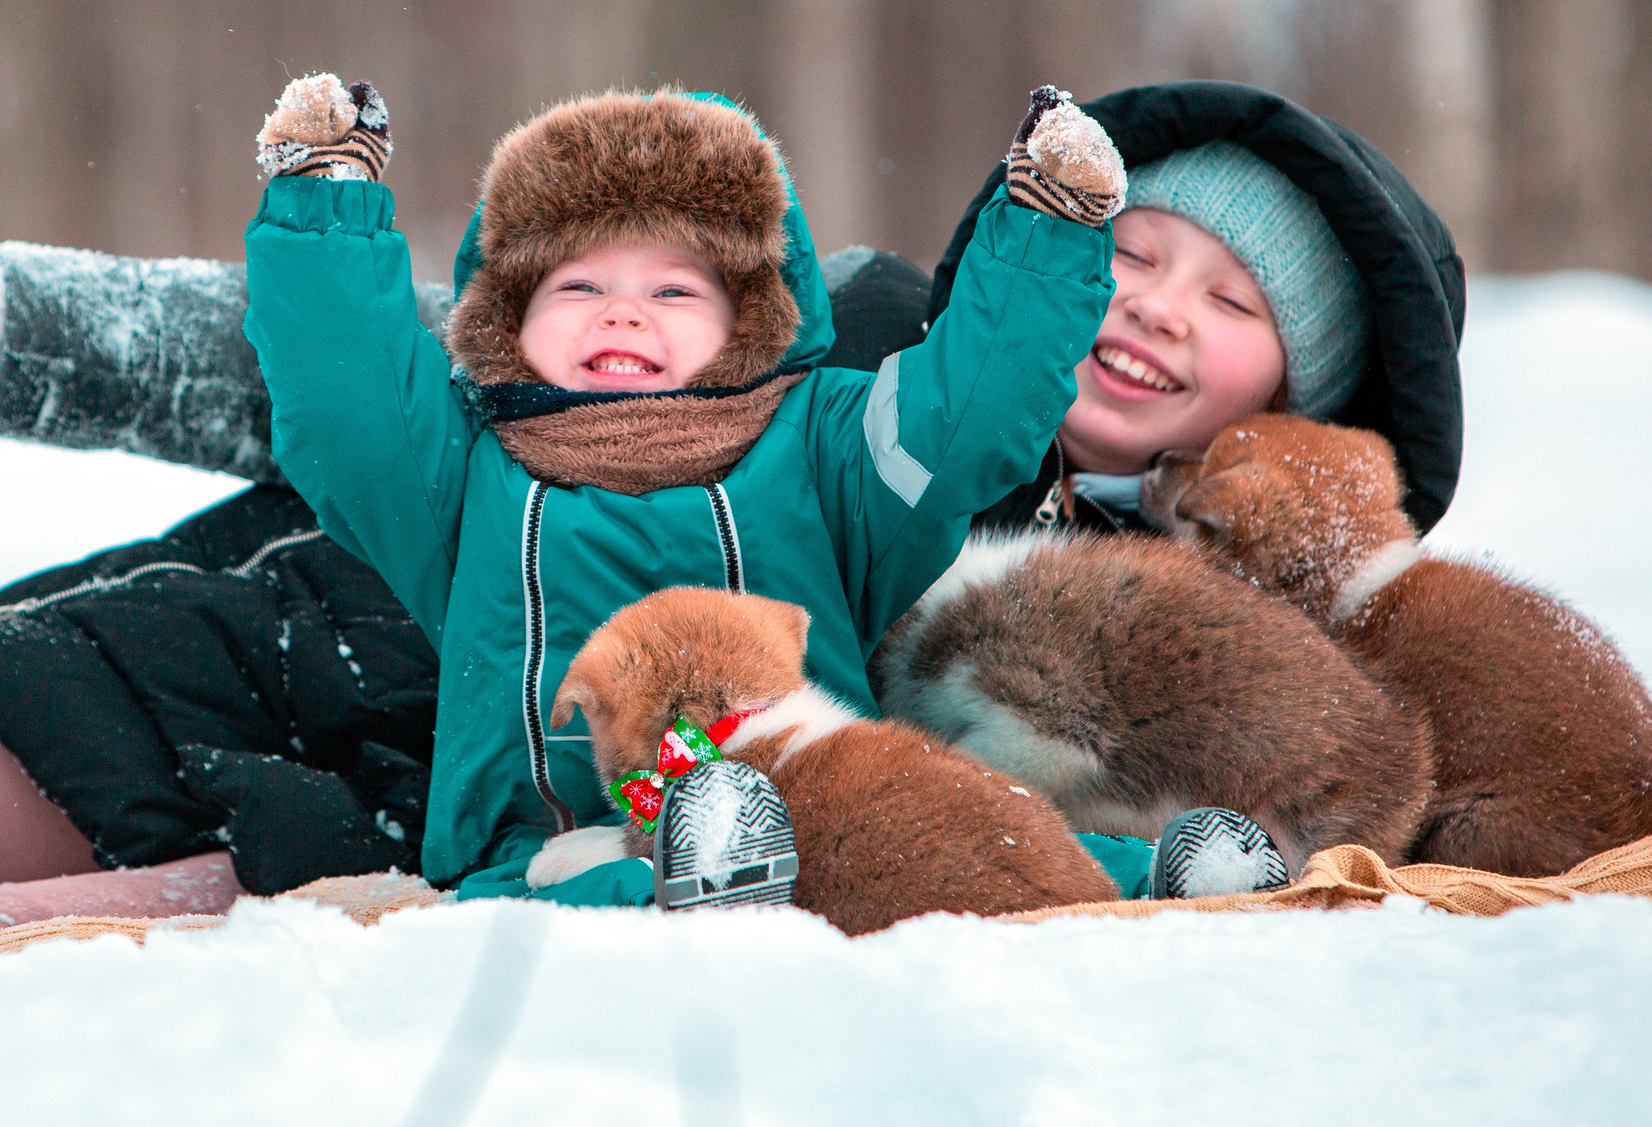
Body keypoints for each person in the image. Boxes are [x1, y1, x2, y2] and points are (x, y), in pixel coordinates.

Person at [0, 82, 1462, 968]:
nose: (1153, 309)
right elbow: (376, 373)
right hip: (258, 657)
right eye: (1138, 247)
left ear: (1311, 392)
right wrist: (11, 325)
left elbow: (1440, 801)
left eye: (1233, 302)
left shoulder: (1248, 648)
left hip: (406, 870)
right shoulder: (831, 336)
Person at [239, 75, 1119, 905]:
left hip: (827, 826)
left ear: (751, 320)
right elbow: (351, 409)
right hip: (541, 860)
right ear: (509, 318)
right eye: (578, 284)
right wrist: (324, 207)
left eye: (672, 288)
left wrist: (1044, 233)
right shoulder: (463, 470)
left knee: (993, 842)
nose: (622, 310)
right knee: (607, 893)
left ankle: (1172, 859)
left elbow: (964, 417)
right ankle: (693, 882)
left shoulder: (828, 451)